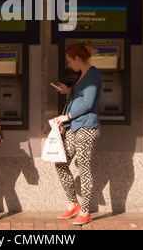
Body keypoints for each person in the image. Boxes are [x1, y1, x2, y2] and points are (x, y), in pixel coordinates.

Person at [53, 41, 102, 226]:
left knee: (84, 167)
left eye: (69, 61)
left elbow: (89, 103)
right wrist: (68, 91)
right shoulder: (82, 75)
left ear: (77, 58)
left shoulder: (93, 75)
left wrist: (68, 116)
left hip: (87, 127)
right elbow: (80, 97)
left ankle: (86, 211)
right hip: (75, 126)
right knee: (61, 162)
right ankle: (73, 203)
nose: (68, 65)